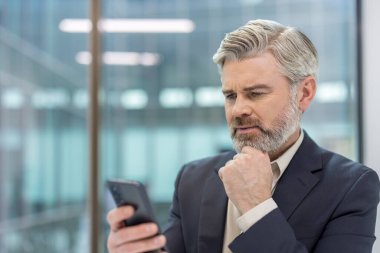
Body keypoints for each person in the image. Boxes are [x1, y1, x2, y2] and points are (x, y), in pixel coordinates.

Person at [106, 19, 380, 253]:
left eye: (255, 93)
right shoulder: (192, 178)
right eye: (230, 95)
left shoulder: (352, 187)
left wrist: (256, 207)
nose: (238, 109)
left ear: (304, 93)